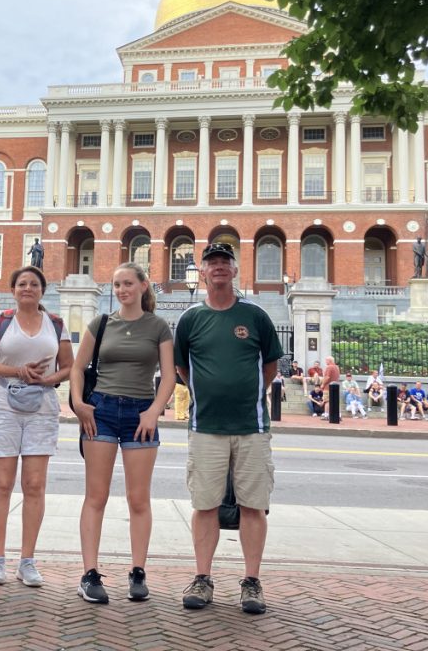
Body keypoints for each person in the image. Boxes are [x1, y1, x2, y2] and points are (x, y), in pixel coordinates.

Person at [174, 242, 283, 614]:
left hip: (252, 426)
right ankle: (202, 578)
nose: (218, 267)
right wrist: (206, 391)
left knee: (254, 505)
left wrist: (247, 393)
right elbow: (181, 367)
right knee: (205, 504)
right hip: (205, 426)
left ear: (235, 270)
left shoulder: (255, 316)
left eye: (225, 261)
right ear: (203, 272)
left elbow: (270, 366)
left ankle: (251, 582)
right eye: (212, 262)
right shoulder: (190, 319)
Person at [71, 262, 175, 604]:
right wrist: (79, 403)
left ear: (143, 286)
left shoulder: (158, 327)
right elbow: (77, 367)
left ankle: (138, 572)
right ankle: (89, 574)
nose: (121, 290)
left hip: (140, 413)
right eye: (116, 285)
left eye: (128, 283)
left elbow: (169, 376)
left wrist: (154, 412)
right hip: (100, 411)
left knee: (138, 498)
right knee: (96, 496)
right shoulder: (101, 323)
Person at [0, 266, 73, 588]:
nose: (27, 288)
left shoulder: (56, 323)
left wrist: (48, 379)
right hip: (4, 406)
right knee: (1, 484)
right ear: (13, 290)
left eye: (34, 284)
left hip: (42, 408)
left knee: (34, 484)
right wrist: (17, 371)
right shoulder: (1, 320)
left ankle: (27, 561)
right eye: (21, 284)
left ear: (43, 290)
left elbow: (69, 366)